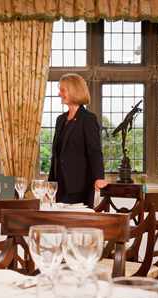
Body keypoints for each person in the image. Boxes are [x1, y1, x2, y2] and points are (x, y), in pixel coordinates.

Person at [48, 73, 107, 207]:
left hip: (80, 186)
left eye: (63, 90)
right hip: (59, 186)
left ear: (74, 91)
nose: (59, 94)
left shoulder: (88, 119)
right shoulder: (60, 119)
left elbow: (95, 151)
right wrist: (50, 184)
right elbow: (56, 155)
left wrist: (99, 177)